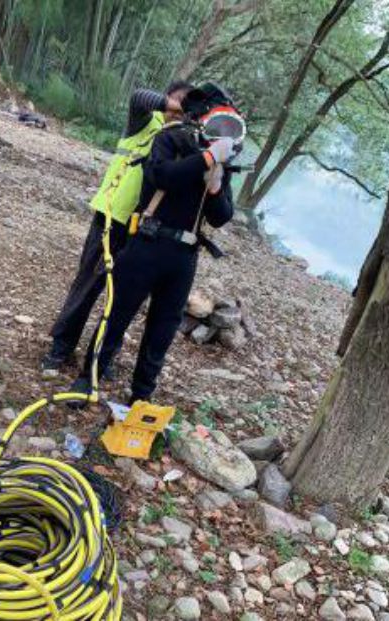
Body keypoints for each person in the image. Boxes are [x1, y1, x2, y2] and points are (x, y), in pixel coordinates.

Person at [71, 83, 239, 404]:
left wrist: (216, 185)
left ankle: (142, 395)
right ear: (200, 119)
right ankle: (86, 380)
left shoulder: (221, 163)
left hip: (184, 255)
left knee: (162, 330)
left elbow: (221, 217)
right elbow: (162, 176)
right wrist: (204, 160)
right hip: (148, 242)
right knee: (117, 314)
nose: (222, 134)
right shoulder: (170, 139)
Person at [41, 81, 194, 374]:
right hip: (111, 219)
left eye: (188, 107)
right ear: (169, 99)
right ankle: (61, 348)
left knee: (122, 300)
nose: (182, 111)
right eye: (179, 102)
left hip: (144, 230)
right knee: (87, 286)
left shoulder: (184, 140)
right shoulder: (145, 122)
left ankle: (101, 359)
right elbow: (139, 96)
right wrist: (178, 109)